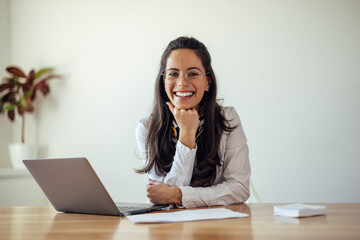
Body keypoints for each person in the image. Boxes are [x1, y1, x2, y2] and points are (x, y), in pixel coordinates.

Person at [135, 36, 251, 208]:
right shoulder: (146, 128)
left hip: (217, 226)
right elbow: (162, 197)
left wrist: (179, 195)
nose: (182, 83)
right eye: (173, 74)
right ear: (163, 81)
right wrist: (186, 135)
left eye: (193, 73)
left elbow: (239, 188)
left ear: (207, 82)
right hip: (166, 227)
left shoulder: (227, 118)